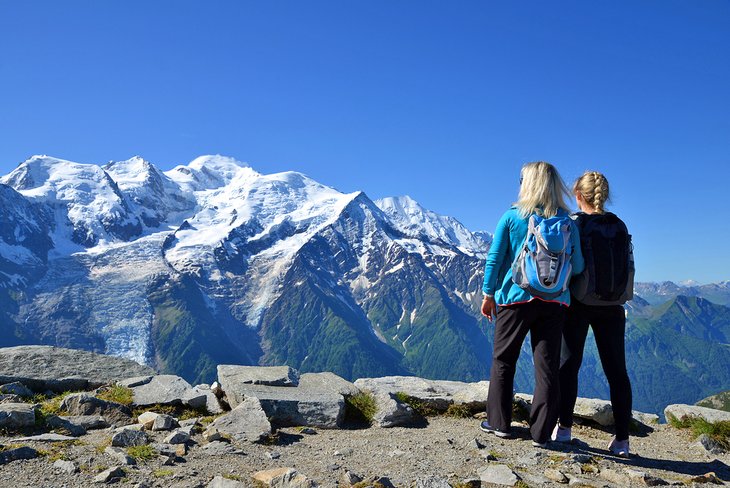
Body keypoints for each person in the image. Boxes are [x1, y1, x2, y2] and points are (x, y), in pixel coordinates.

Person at [480, 161, 584, 447]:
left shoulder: (513, 217)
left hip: (515, 299)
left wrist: (488, 294)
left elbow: (495, 259)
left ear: (528, 183)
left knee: (504, 360)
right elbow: (577, 267)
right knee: (547, 367)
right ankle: (541, 433)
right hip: (554, 304)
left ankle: (499, 423)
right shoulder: (567, 221)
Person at [553, 171, 634, 458]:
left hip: (579, 302)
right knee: (617, 372)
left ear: (578, 195)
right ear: (605, 195)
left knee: (568, 364)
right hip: (612, 306)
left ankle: (563, 429)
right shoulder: (619, 225)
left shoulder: (575, 224)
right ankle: (622, 440)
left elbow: (570, 265)